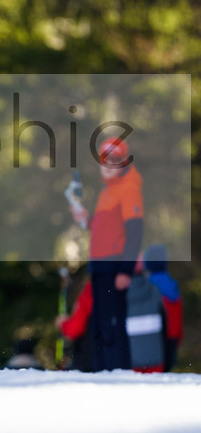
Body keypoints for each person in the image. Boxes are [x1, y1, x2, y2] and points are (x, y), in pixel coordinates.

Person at [68, 137, 143, 371]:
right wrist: (86, 220)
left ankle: (117, 372)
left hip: (114, 266)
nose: (109, 164)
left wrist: (126, 271)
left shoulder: (129, 189)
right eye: (105, 159)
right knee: (100, 324)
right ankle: (102, 372)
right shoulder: (107, 191)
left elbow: (135, 232)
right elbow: (106, 230)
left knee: (113, 323)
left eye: (115, 159)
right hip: (99, 266)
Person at [142, 243, 182, 372]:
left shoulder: (146, 288)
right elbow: (178, 317)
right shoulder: (173, 286)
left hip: (152, 340)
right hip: (172, 339)